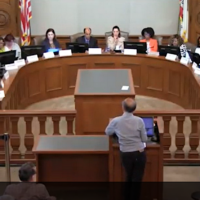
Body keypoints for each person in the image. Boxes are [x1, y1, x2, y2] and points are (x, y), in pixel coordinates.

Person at [105, 98, 147, 200]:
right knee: (137, 179)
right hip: (139, 152)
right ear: (134, 109)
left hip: (125, 153)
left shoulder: (116, 121)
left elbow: (108, 132)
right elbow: (144, 138)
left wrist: (118, 133)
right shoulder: (139, 121)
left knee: (128, 176)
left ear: (123, 107)